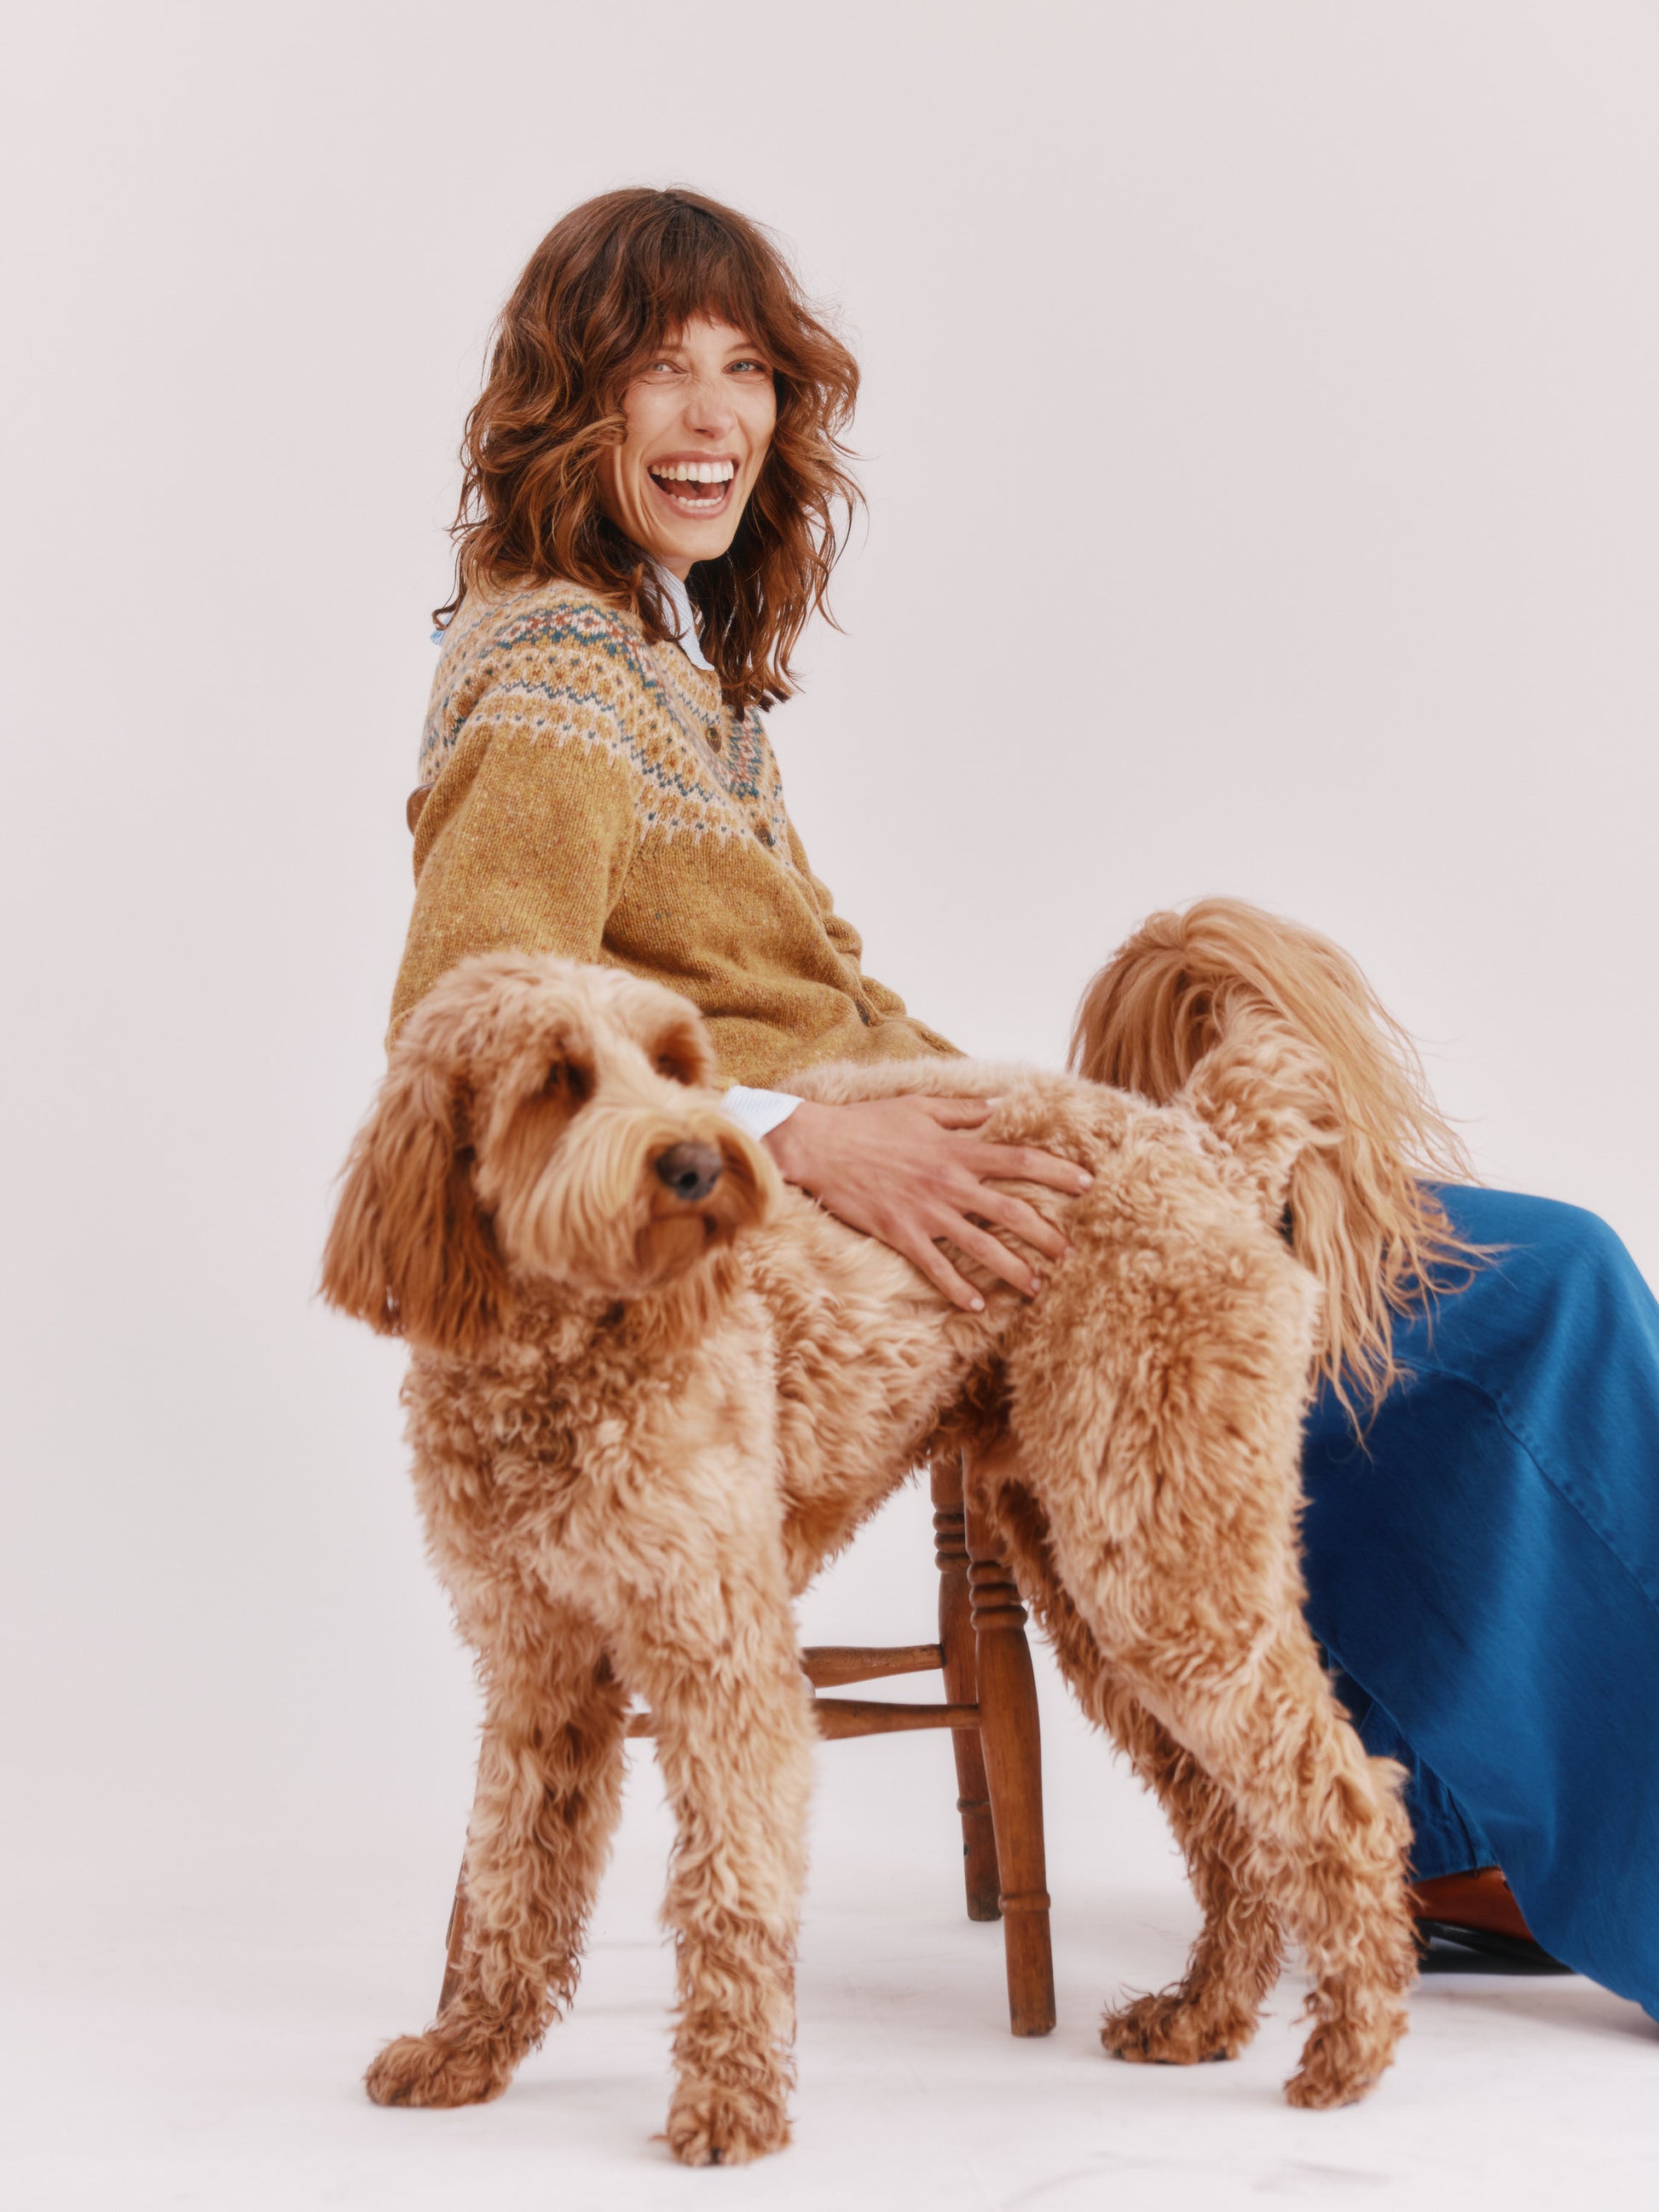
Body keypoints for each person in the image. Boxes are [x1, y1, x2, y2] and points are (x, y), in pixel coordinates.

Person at [390, 186, 1659, 2025]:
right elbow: (463, 1012)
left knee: (1504, 1274)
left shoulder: (662, 666)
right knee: (1536, 1287)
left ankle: (1452, 1815)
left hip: (944, 1170)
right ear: (561, 399)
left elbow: (803, 996)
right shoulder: (554, 682)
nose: (711, 415)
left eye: (744, 370)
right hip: (846, 1233)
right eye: (658, 368)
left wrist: (1016, 1114)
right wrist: (784, 1129)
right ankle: (1503, 1831)